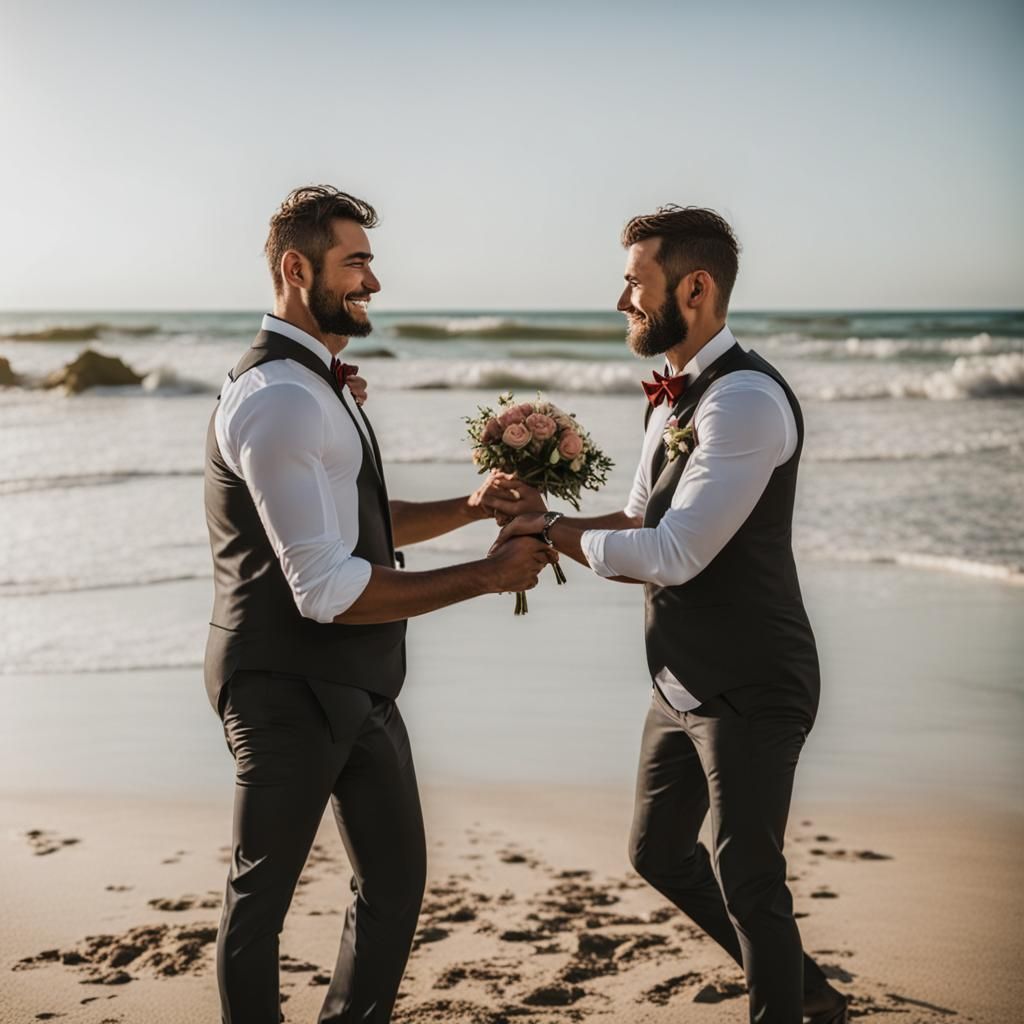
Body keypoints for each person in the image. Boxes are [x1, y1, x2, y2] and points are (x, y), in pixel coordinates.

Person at [203, 185, 554, 1024]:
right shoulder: (279, 398)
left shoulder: (319, 387)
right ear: (297, 270)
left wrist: (469, 508)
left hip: (362, 682)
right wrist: (485, 576)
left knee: (395, 886)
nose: (374, 281)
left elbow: (356, 524)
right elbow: (323, 586)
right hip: (282, 686)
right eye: (355, 262)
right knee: (262, 899)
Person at [489, 206, 848, 1023]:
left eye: (635, 282)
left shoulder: (745, 401)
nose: (622, 300)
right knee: (657, 852)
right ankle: (809, 992)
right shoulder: (670, 400)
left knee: (748, 875)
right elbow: (636, 523)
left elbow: (677, 552)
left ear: (695, 288)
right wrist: (543, 519)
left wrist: (552, 533)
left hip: (752, 683)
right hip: (679, 680)